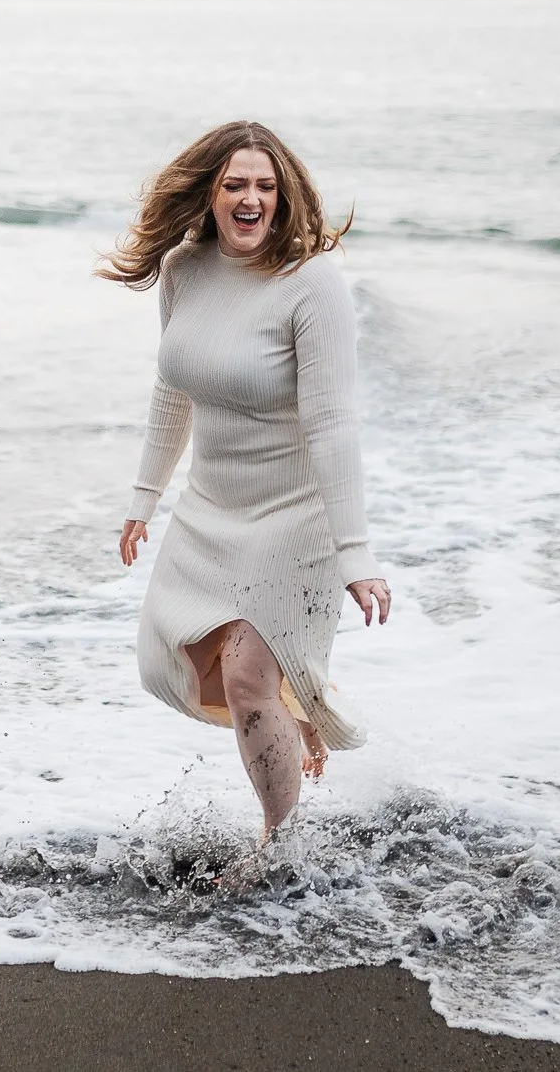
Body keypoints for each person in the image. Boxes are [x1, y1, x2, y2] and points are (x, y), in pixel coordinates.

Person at [108, 121, 391, 839]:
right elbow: (174, 386)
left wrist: (356, 554)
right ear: (210, 191)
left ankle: (280, 841)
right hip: (211, 509)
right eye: (236, 184)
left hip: (294, 515)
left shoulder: (313, 284)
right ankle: (291, 715)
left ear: (284, 196)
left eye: (265, 186)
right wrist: (145, 497)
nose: (250, 199)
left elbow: (333, 424)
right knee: (172, 661)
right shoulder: (183, 271)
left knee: (245, 678)